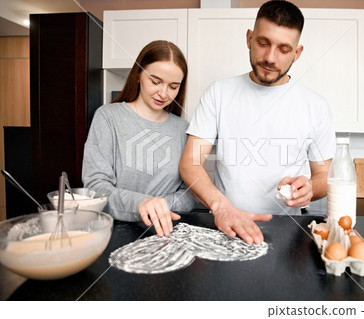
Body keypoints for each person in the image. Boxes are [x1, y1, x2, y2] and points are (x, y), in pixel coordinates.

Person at [179, 1, 336, 244]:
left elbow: (324, 176)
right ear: (249, 38)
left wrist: (311, 189)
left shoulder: (315, 106)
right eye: (263, 43)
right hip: (226, 227)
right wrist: (221, 207)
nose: (270, 58)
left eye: (284, 49)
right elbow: (190, 164)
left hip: (286, 234)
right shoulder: (219, 93)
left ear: (298, 53)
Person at [83, 40, 196, 237]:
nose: (163, 93)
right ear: (138, 75)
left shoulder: (182, 128)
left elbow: (190, 192)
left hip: (167, 233)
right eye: (155, 81)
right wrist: (141, 204)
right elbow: (96, 188)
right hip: (114, 232)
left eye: (173, 86)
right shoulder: (108, 117)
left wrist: (158, 207)